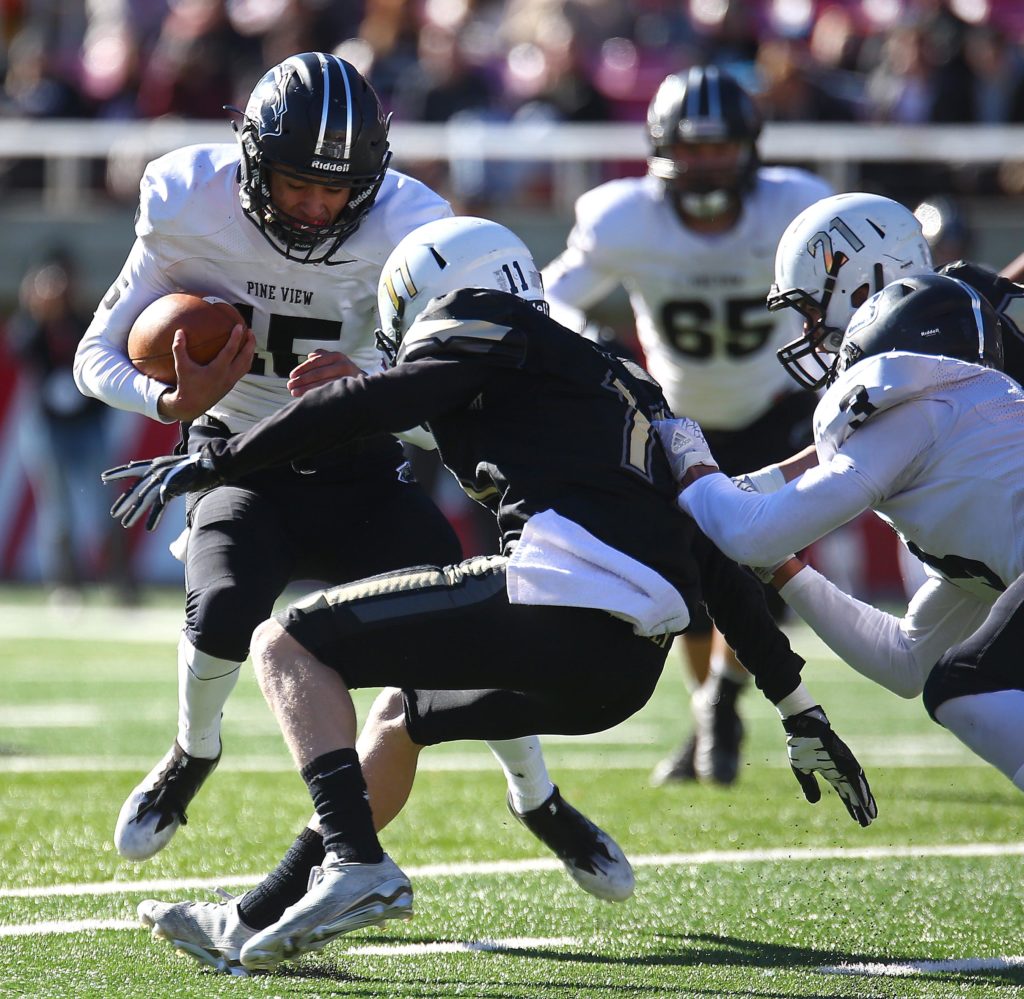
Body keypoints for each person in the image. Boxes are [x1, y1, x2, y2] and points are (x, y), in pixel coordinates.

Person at [104, 216, 875, 974]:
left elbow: (368, 407)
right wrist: (797, 704)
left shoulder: (480, 318)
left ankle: (356, 861)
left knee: (286, 646)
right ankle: (249, 915)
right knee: (400, 720)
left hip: (565, 600)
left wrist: (220, 460)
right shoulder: (623, 382)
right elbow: (714, 552)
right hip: (624, 670)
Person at [73, 52, 631, 903]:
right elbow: (93, 356)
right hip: (241, 454)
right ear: (254, 157)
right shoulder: (188, 200)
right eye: (297, 180)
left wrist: (371, 385)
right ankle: (192, 751)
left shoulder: (411, 223)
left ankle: (538, 797)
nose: (316, 204)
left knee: (469, 638)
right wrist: (165, 394)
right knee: (222, 610)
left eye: (336, 188)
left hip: (363, 466)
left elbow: (449, 403)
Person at [541, 65, 834, 787]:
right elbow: (552, 296)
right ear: (661, 150)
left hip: (776, 408)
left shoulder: (793, 208)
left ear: (749, 148)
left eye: (719, 147)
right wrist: (584, 342)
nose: (705, 163)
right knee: (688, 587)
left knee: (756, 573)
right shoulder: (623, 217)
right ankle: (711, 708)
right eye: (692, 148)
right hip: (681, 421)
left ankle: (724, 704)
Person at [661, 270, 1024, 801]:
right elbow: (905, 662)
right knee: (952, 682)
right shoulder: (976, 451)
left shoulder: (920, 409)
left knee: (964, 686)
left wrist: (689, 461)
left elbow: (749, 534)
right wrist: (785, 571)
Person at [7, 249, 134, 603]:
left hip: (88, 427)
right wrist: (35, 312)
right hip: (49, 428)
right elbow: (20, 351)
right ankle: (65, 586)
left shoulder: (84, 320)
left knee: (105, 507)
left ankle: (119, 583)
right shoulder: (31, 325)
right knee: (57, 512)